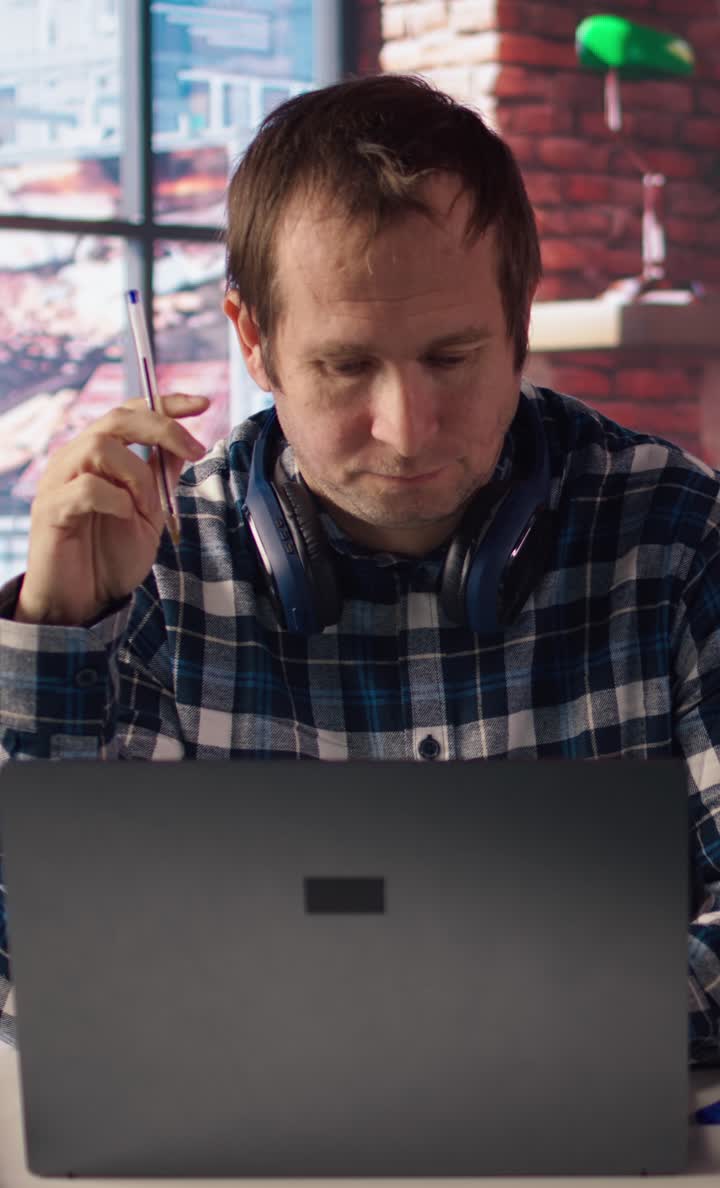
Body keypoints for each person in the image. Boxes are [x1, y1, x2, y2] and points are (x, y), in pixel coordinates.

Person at [0, 73, 718, 1062]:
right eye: (346, 366)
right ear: (255, 339)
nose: (405, 427)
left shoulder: (677, 537)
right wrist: (58, 639)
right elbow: (33, 968)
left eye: (452, 357)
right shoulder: (150, 563)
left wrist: (416, 1037)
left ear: (520, 319)